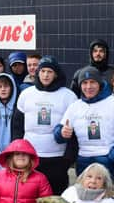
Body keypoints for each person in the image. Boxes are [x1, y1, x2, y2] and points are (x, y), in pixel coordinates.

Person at [55, 66, 114, 176]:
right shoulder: (75, 106)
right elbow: (58, 133)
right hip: (83, 161)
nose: (88, 87)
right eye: (84, 83)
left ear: (100, 83)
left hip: (106, 160)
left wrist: (112, 156)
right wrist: (62, 132)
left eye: (92, 82)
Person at [16, 55, 77, 194]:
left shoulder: (68, 96)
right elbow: (17, 126)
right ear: (38, 73)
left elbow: (74, 132)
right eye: (43, 71)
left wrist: (68, 159)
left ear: (56, 74)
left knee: (55, 196)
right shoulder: (26, 94)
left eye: (49, 72)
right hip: (31, 156)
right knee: (30, 195)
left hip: (57, 158)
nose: (45, 75)